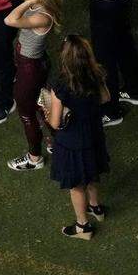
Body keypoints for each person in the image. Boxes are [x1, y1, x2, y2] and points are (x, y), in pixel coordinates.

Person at [45, 35, 110, 240]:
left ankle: (83, 226)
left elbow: (55, 123)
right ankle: (96, 208)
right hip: (93, 136)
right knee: (91, 175)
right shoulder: (96, 74)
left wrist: (49, 111)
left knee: (76, 186)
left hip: (72, 143)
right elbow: (106, 97)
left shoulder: (61, 86)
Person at [0, 0, 63, 171]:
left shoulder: (42, 15)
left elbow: (10, 20)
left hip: (30, 69)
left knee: (26, 113)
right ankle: (57, 142)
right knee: (41, 102)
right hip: (35, 65)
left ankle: (34, 158)